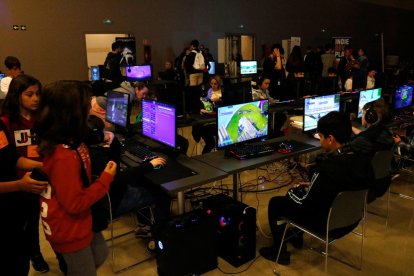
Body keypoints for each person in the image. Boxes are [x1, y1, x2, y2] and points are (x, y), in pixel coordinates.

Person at [260, 111, 373, 265]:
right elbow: (345, 186)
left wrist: (294, 191)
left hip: (325, 225)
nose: (320, 141)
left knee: (278, 202)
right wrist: (314, 185)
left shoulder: (326, 169)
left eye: (320, 137)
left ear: (331, 139)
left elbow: (306, 204)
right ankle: (295, 236)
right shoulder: (363, 160)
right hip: (351, 220)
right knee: (300, 194)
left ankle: (279, 252)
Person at [35, 80, 117, 276]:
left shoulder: (68, 139)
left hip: (80, 221)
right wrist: (105, 179)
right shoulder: (64, 156)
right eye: (87, 105)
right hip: (69, 229)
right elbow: (75, 203)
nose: (91, 107)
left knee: (100, 252)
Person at [0, 74, 51, 273]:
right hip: (18, 185)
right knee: (25, 225)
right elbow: (10, 160)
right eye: (30, 94)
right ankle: (34, 253)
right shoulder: (6, 122)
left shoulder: (43, 119)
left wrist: (46, 167)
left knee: (42, 219)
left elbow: (11, 157)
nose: (36, 99)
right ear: (17, 96)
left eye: (38, 94)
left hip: (39, 178)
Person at [86, 115, 171, 225]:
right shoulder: (97, 157)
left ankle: (144, 223)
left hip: (106, 199)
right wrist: (149, 165)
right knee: (163, 194)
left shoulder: (89, 151)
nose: (105, 132)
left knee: (141, 181)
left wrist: (113, 139)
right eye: (103, 130)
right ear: (97, 135)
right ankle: (158, 232)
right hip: (116, 201)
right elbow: (119, 178)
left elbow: (114, 162)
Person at [192, 76, 222, 154]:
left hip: (214, 122)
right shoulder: (203, 96)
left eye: (215, 84)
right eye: (211, 83)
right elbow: (197, 109)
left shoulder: (220, 96)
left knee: (223, 138)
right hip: (204, 125)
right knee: (211, 143)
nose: (213, 85)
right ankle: (204, 158)